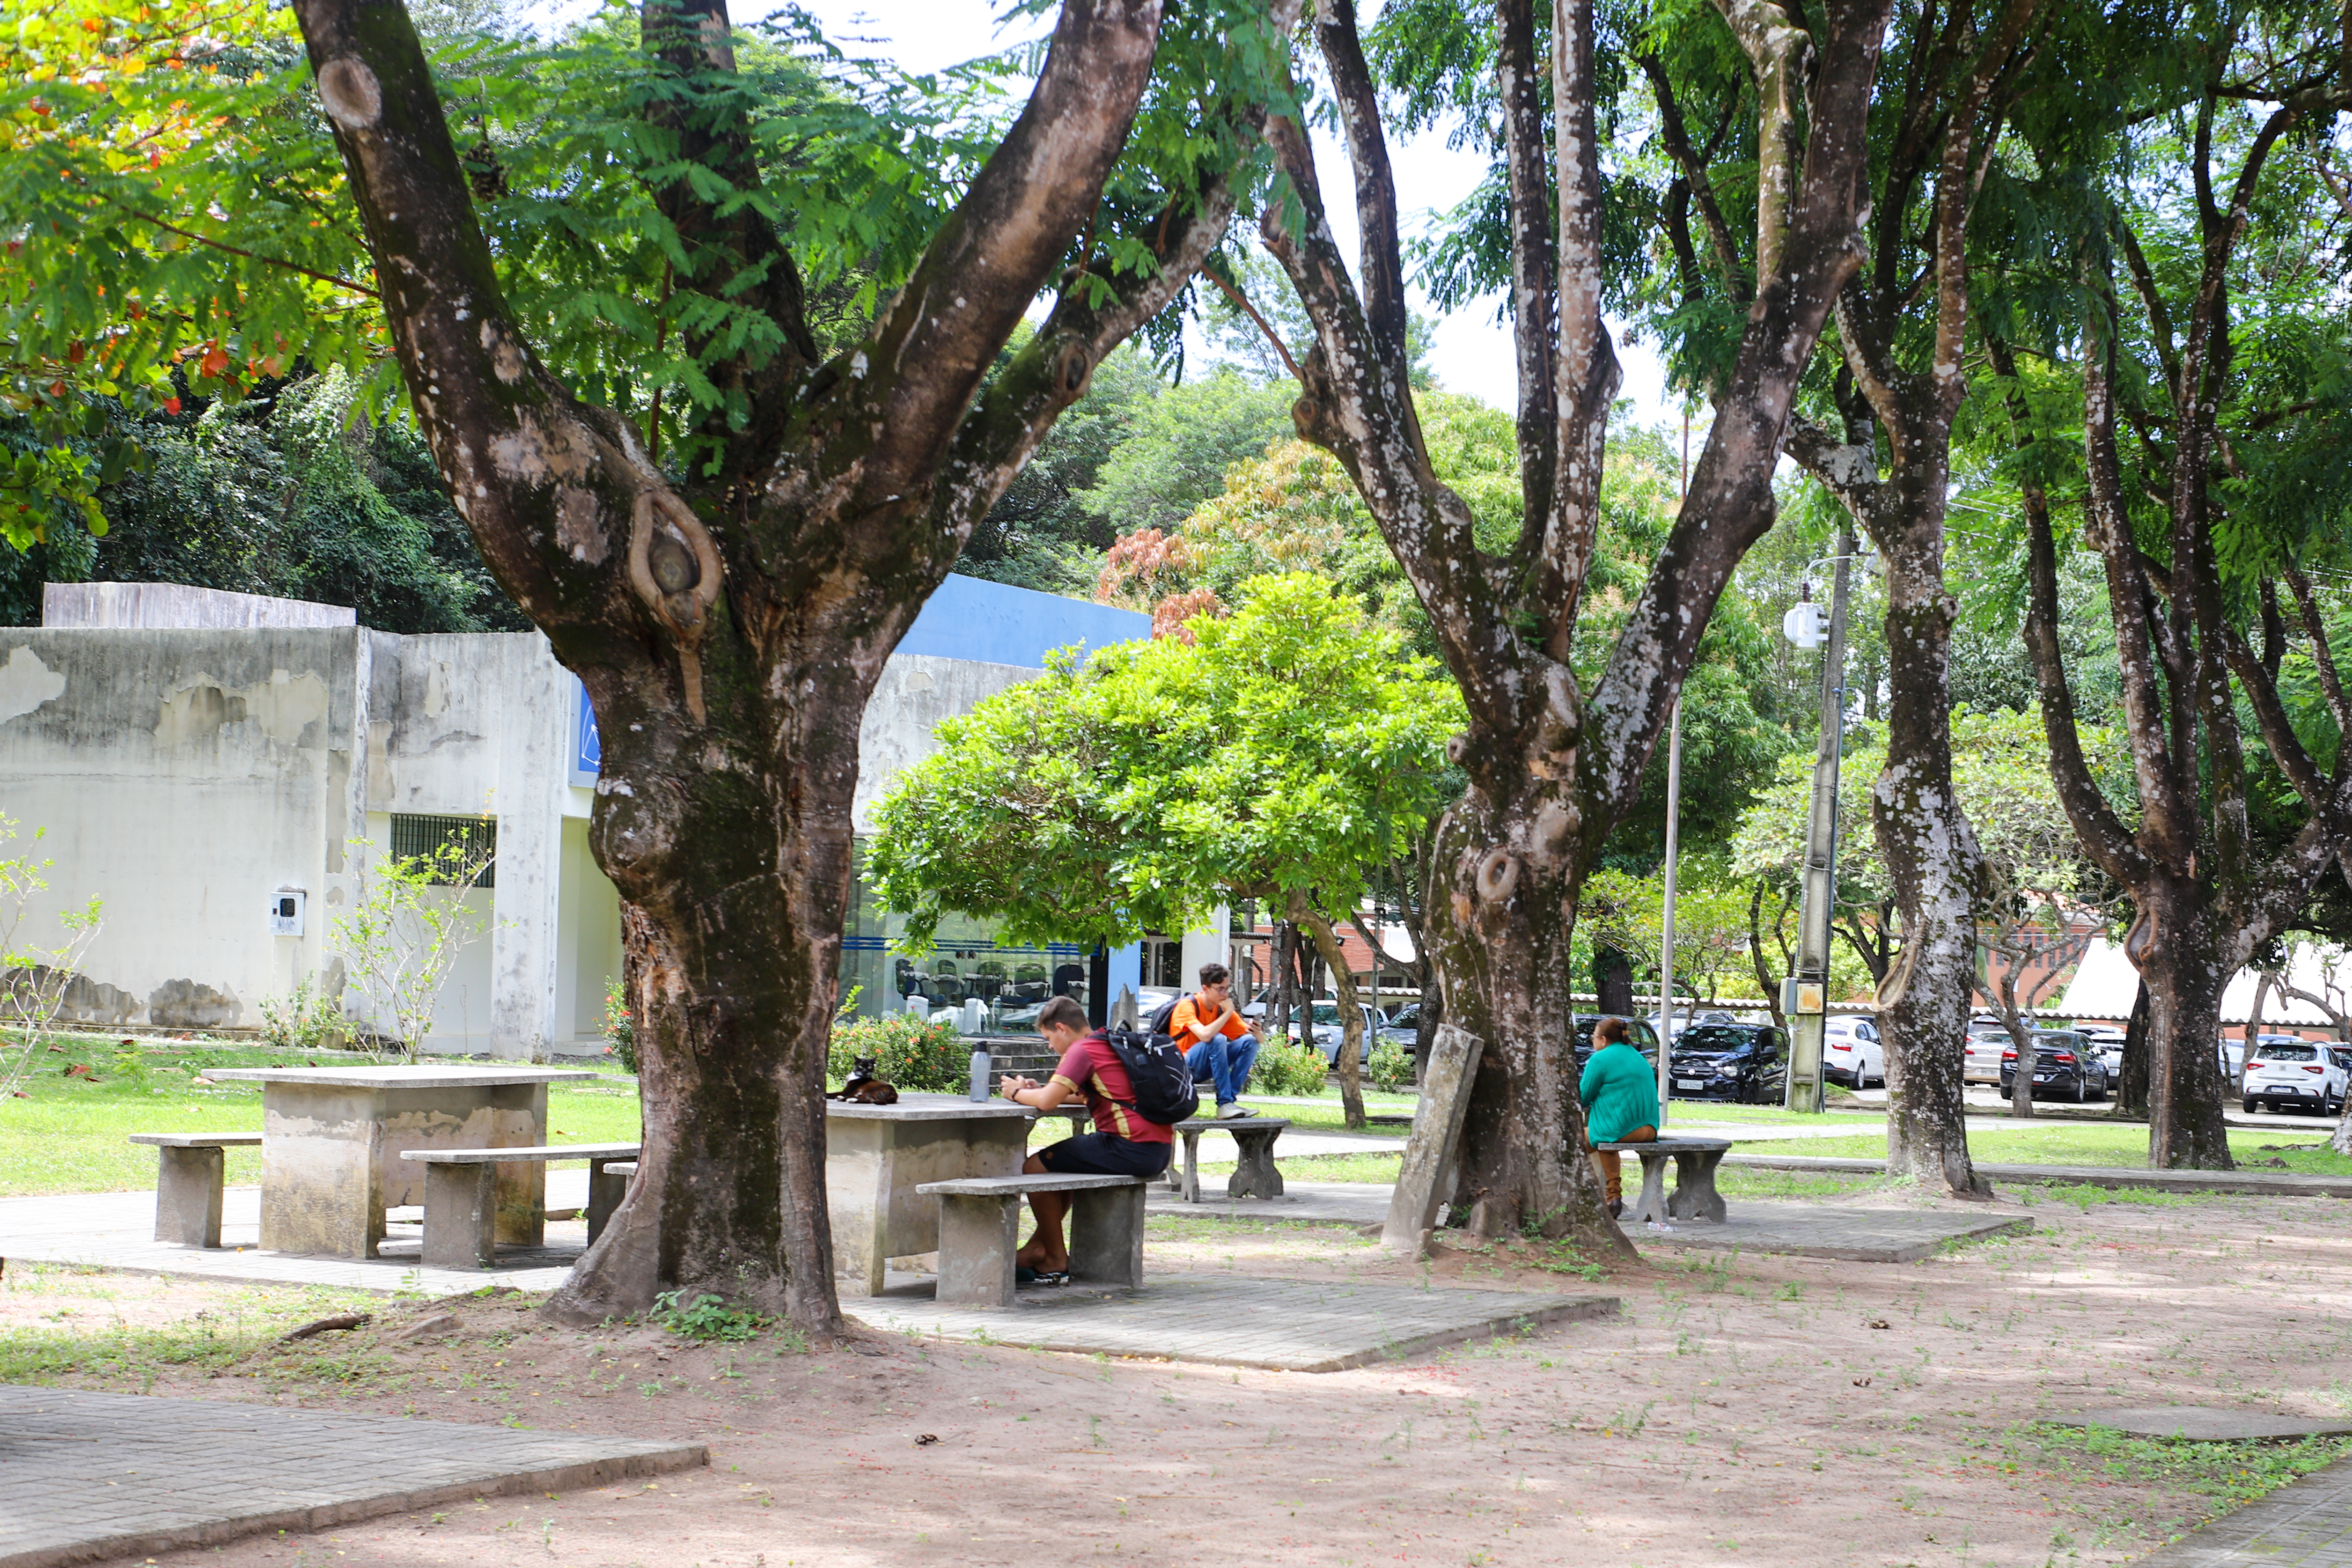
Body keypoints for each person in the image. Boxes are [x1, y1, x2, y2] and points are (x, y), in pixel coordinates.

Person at [996, 994, 1174, 1283]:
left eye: (1049, 1038)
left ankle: (1055, 1257)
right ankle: (1038, 1249)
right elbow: (1080, 1097)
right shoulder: (1107, 1042)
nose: (1050, 1046)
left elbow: (1046, 1103)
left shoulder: (1082, 1051)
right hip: (1157, 1149)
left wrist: (1016, 1092)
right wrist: (1041, 1090)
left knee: (1034, 1167)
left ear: (1063, 1029)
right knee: (1061, 1168)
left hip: (1128, 1147)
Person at [1579, 1015, 1659, 1219]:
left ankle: (1603, 1195)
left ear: (1604, 1040)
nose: (1593, 1041)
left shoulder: (1600, 1059)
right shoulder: (1637, 1056)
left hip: (1617, 1129)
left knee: (1573, 1141)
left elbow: (1583, 1097)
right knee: (1604, 1138)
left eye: (1594, 1037)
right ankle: (1612, 1196)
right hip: (1648, 1130)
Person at [1165, 963, 1261, 1119]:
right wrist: (1229, 1011)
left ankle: (1229, 1101)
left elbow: (1254, 1039)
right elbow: (1205, 1035)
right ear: (1206, 988)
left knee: (1250, 1041)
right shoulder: (1187, 1005)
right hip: (1183, 1067)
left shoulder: (1220, 1009)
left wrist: (1258, 1033)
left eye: (1228, 988)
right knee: (1217, 1039)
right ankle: (1224, 1103)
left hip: (1205, 1067)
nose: (1225, 994)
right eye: (1220, 989)